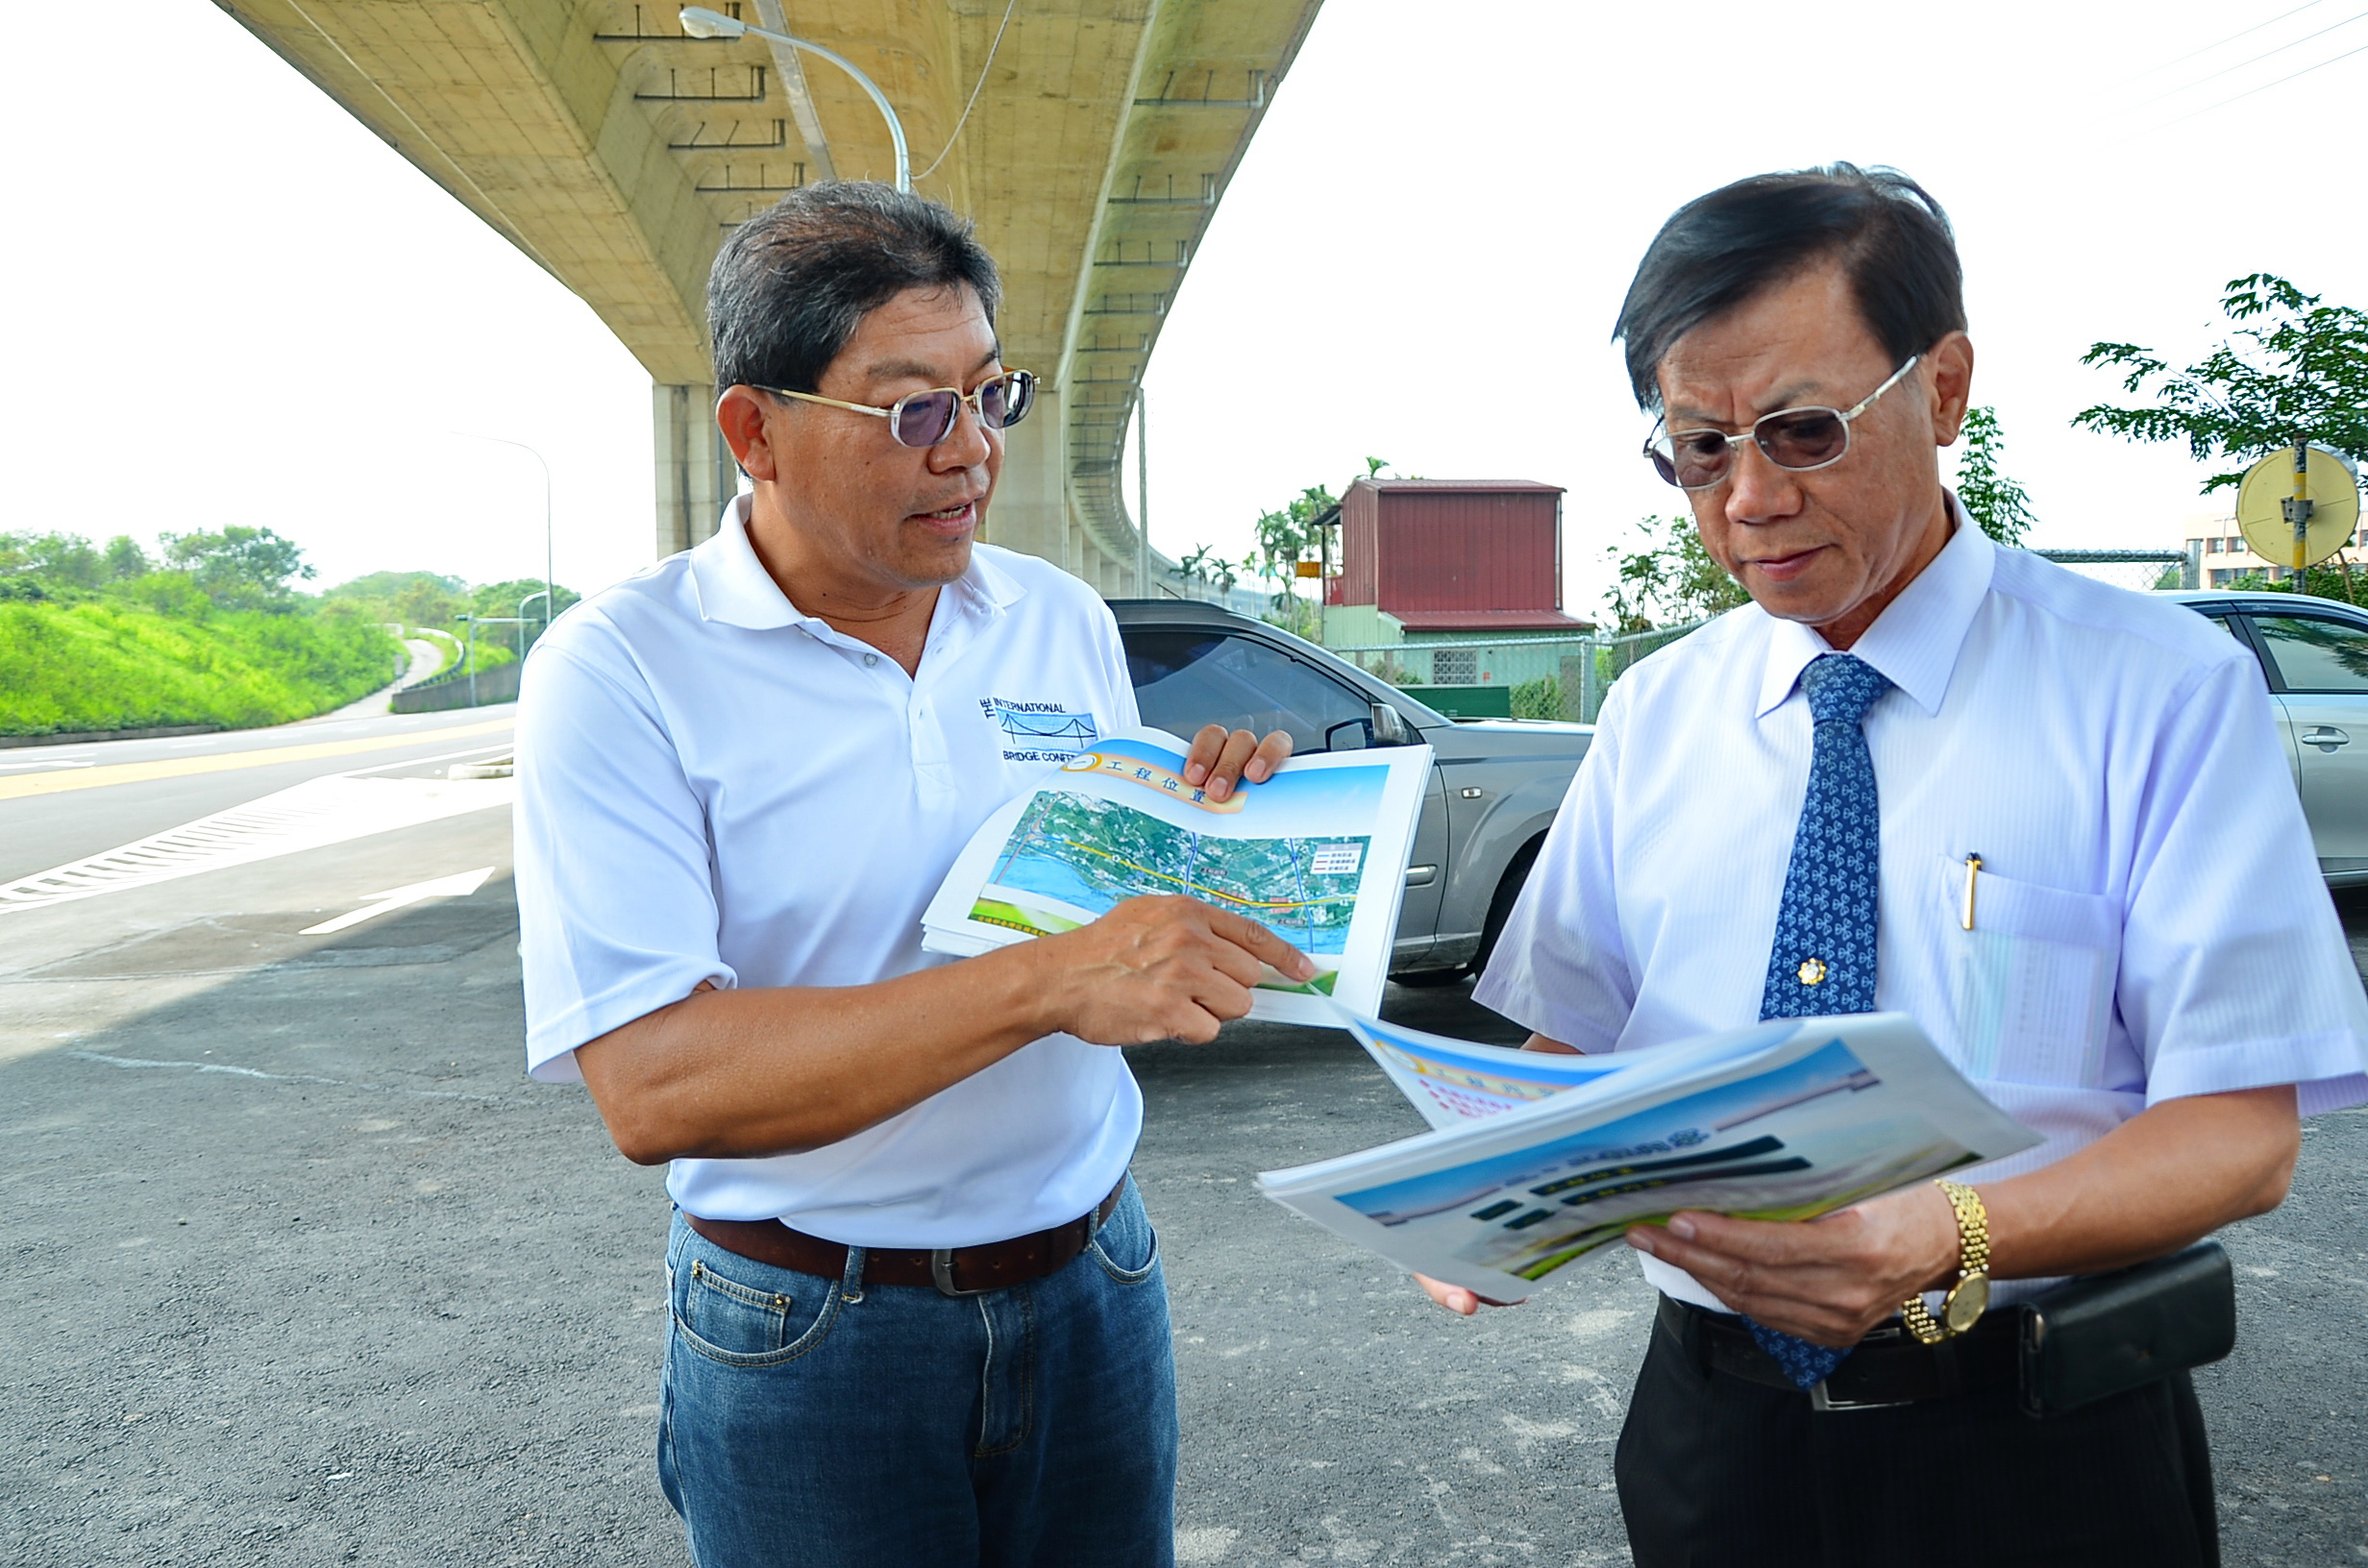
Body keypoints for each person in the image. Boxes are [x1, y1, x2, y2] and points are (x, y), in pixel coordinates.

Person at [1420, 163, 2368, 1566]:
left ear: (1943, 389)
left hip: (2036, 1437)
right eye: (1697, 448)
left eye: (1802, 433)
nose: (1747, 500)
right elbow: (1580, 1033)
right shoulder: (1657, 710)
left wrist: (1949, 1231)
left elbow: (2240, 1132)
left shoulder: (2155, 691)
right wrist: (1493, 1201)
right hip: (1711, 1440)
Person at [512, 182, 1307, 1568]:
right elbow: (656, 1084)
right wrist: (1049, 983)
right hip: (810, 1328)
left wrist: (1210, 828)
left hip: (1095, 1282)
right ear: (755, 431)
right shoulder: (623, 669)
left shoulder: (1055, 619)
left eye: (990, 397)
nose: (970, 455)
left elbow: (1086, 902)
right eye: (912, 410)